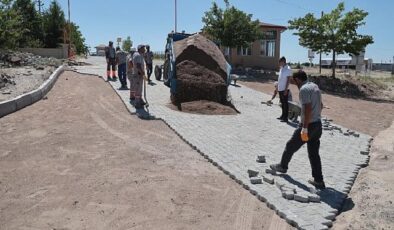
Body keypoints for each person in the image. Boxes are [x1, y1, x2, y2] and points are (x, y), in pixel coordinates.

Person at [270, 70, 326, 189]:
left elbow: (307, 109)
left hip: (308, 126)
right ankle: (318, 180)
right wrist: (316, 117)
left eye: (293, 81)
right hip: (317, 126)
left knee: (290, 146)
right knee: (314, 154)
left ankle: (283, 166)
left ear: (298, 80)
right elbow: (320, 105)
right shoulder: (314, 86)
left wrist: (304, 128)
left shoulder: (304, 89)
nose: (292, 82)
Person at [277, 57, 292, 122]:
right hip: (280, 88)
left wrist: (286, 89)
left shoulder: (288, 69)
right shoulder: (281, 68)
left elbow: (288, 80)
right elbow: (279, 79)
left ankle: (286, 118)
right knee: (282, 103)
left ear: (283, 61)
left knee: (285, 104)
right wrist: (277, 87)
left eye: (280, 62)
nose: (279, 63)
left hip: (285, 89)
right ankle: (282, 115)